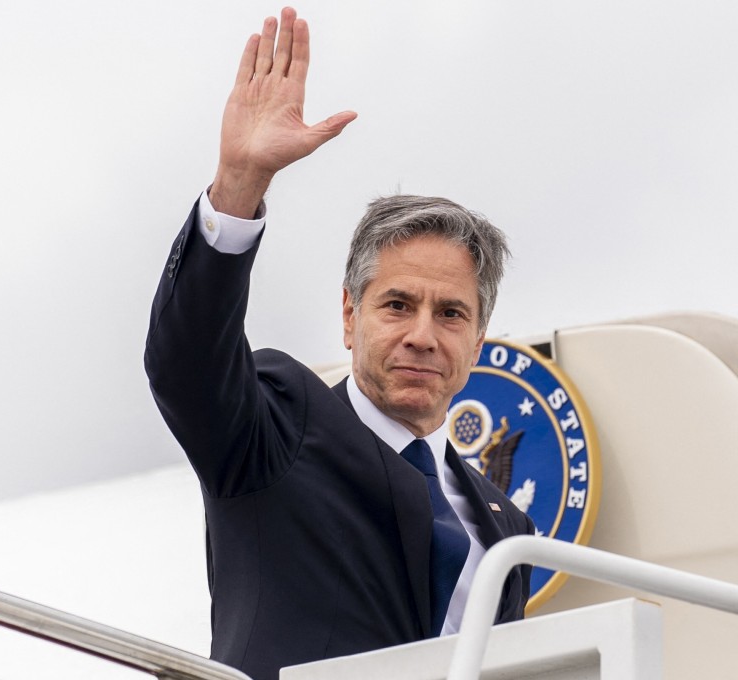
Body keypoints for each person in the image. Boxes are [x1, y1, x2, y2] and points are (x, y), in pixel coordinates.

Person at [144, 7, 535, 679]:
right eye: (397, 305)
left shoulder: (507, 529)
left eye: (450, 314)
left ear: (476, 342)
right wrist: (240, 184)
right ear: (350, 317)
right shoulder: (278, 428)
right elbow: (187, 362)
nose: (422, 335)